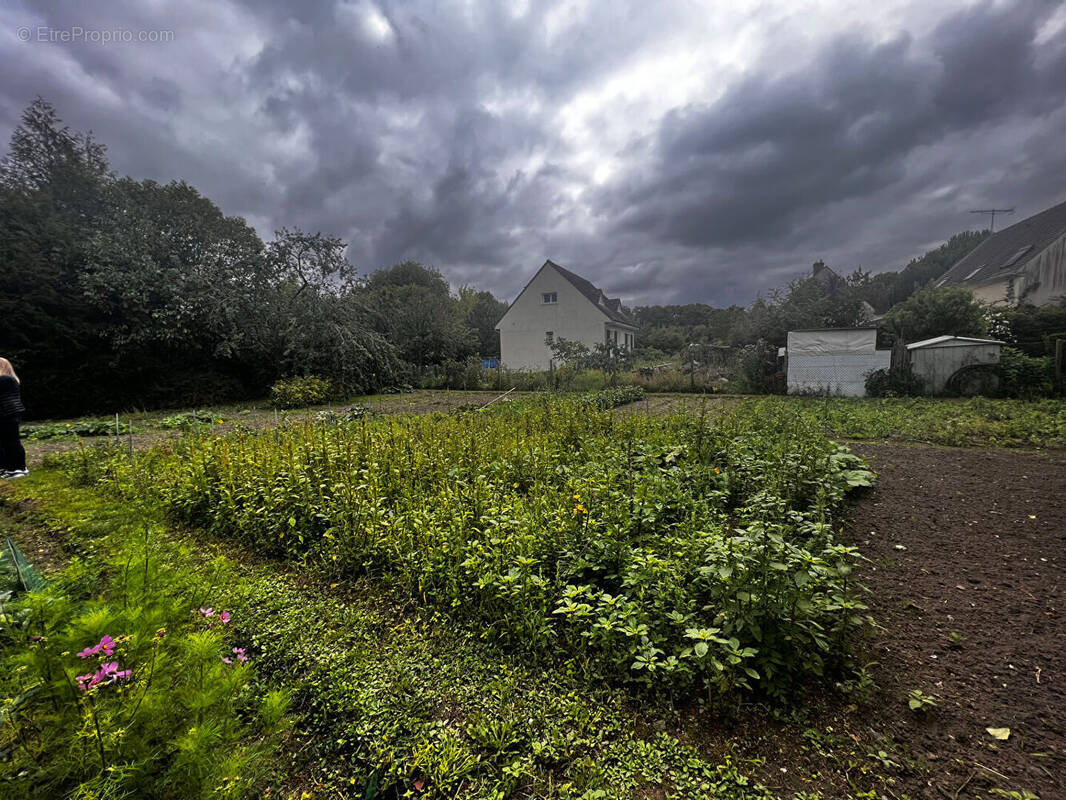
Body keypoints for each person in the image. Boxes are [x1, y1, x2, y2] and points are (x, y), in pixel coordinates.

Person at [0, 357, 28, 479]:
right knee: (5, 442)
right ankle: (9, 467)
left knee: (11, 442)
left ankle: (19, 468)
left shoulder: (5, 379)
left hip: (7, 415)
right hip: (6, 414)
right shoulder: (10, 379)